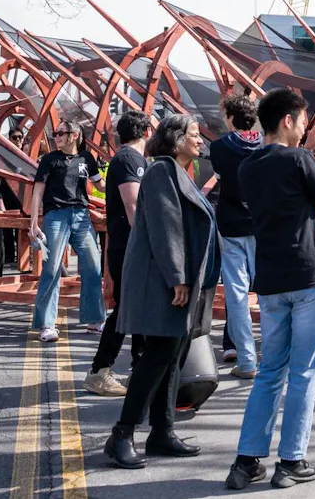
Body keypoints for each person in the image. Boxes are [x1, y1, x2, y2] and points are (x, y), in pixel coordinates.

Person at [225, 88, 315, 490]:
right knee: (304, 372)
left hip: (271, 281)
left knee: (270, 370)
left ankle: (246, 461)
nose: (306, 128)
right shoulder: (299, 159)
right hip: (310, 276)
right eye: (303, 120)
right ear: (289, 120)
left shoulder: (248, 168)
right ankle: (291, 461)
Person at [104, 114, 218, 469]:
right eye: (195, 135)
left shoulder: (178, 172)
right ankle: (121, 434)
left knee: (173, 355)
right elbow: (166, 228)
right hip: (163, 281)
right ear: (175, 139)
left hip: (176, 280)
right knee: (157, 356)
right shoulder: (161, 172)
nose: (200, 142)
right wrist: (177, 278)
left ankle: (162, 431)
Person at [87, 112, 153, 396]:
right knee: (127, 309)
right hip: (131, 246)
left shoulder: (131, 160)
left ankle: (140, 367)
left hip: (130, 245)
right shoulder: (129, 160)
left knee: (137, 308)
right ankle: (99, 370)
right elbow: (134, 206)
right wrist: (152, 244)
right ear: (147, 132)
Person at [30, 121, 105, 343]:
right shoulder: (49, 159)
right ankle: (46, 324)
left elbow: (100, 186)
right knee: (52, 268)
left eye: (61, 133)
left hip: (81, 215)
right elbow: (37, 191)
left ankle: (94, 320)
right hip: (56, 215)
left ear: (75, 135)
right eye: (56, 133)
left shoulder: (87, 159)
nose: (56, 137)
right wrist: (34, 222)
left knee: (93, 265)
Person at [210, 94, 262, 379]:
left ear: (230, 116)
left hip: (231, 227)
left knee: (237, 296)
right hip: (262, 225)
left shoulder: (219, 147)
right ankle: (276, 355)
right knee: (268, 294)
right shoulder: (264, 146)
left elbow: (220, 179)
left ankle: (246, 360)